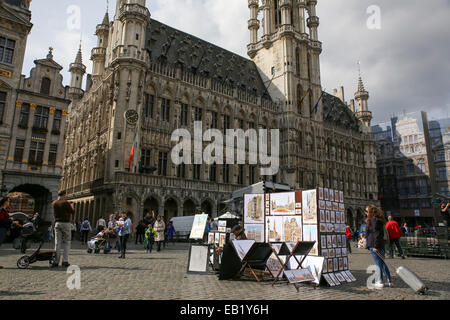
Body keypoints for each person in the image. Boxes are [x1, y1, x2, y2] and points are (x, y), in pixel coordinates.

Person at [365, 205, 392, 289]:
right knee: (382, 263)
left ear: (370, 212)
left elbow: (376, 234)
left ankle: (379, 281)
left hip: (375, 245)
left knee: (378, 264)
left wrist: (374, 246)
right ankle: (389, 280)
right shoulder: (379, 220)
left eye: (366, 211)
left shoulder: (373, 221)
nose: (365, 213)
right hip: (380, 244)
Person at [51, 191, 75, 268]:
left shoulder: (54, 203)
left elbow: (58, 203)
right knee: (67, 242)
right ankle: (65, 261)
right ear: (64, 195)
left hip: (57, 223)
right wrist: (71, 205)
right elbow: (72, 211)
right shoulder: (66, 203)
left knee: (57, 243)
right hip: (65, 223)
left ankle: (56, 261)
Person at [0, 197, 12, 269]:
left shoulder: (3, 210)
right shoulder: (1, 210)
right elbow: (1, 221)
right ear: (5, 202)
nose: (9, 202)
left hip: (3, 229)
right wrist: (11, 221)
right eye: (8, 201)